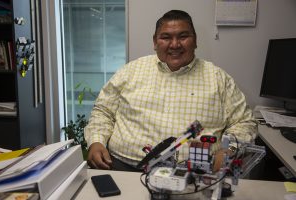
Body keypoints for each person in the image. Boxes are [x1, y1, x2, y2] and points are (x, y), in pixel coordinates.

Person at [84, 10, 257, 171]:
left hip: (195, 174)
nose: (174, 44)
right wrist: (96, 141)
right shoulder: (130, 71)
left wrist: (229, 149)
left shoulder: (219, 79)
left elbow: (244, 123)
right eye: (166, 37)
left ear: (195, 40)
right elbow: (103, 111)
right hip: (126, 168)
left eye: (183, 36)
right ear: (155, 42)